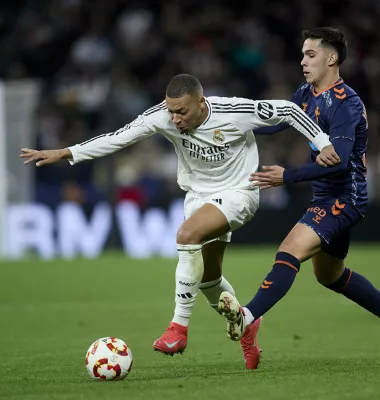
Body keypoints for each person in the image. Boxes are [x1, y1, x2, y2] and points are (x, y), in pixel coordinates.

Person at [20, 73, 340, 369]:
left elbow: (288, 110)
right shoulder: (163, 115)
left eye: (182, 112)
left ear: (201, 103)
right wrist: (67, 152)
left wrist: (324, 142)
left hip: (240, 192)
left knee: (186, 235)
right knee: (208, 280)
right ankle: (246, 325)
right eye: (172, 111)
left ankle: (178, 328)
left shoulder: (235, 110)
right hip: (199, 198)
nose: (175, 119)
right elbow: (119, 137)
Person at [217, 27, 380, 364]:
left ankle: (249, 317)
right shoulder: (306, 93)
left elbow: (339, 162)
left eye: (310, 54)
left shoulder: (346, 103)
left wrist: (288, 176)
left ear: (331, 58)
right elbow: (275, 122)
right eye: (302, 54)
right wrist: (228, 122)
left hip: (346, 196)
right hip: (324, 197)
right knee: (330, 276)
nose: (302, 61)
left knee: (289, 250)